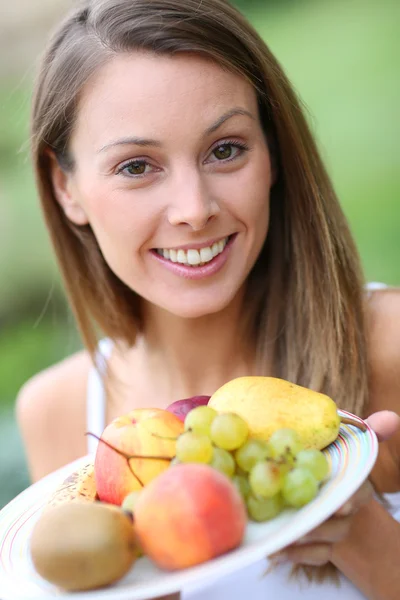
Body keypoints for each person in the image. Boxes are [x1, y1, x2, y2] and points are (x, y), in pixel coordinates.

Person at [15, 0, 400, 598]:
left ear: (271, 152)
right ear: (67, 188)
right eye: (137, 166)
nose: (194, 209)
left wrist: (372, 546)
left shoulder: (390, 346)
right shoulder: (57, 413)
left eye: (225, 150)